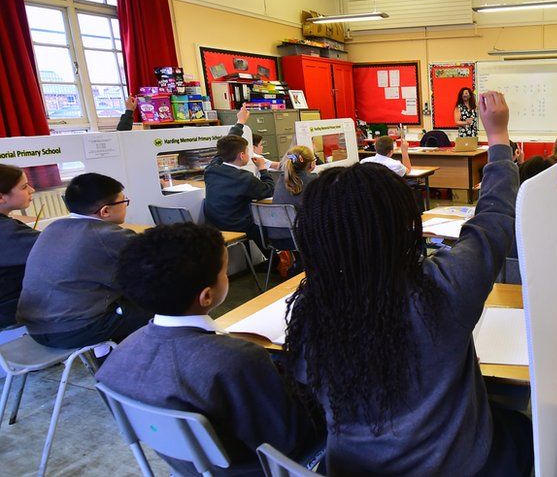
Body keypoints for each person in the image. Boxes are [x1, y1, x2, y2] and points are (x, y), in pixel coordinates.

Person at [285, 91, 532, 476]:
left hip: (353, 469)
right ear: (404, 226)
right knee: (522, 429)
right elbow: (494, 220)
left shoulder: (311, 314)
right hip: (455, 465)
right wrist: (498, 138)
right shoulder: (441, 289)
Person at [96, 223, 324, 476]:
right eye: (225, 272)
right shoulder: (239, 359)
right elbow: (290, 441)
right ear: (206, 296)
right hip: (253, 469)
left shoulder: (117, 359)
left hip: (191, 467)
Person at [17, 173, 151, 348]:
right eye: (124, 201)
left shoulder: (53, 228)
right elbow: (154, 264)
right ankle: (132, 365)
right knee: (162, 305)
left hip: (36, 328)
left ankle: (107, 356)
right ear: (105, 211)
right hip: (74, 330)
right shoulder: (109, 235)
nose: (126, 206)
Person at [203, 108, 275, 242]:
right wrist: (262, 169)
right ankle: (274, 259)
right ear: (242, 156)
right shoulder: (244, 178)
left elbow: (226, 147)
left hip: (214, 226)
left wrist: (240, 122)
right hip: (238, 226)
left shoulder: (211, 169)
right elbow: (269, 190)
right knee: (266, 226)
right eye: (248, 152)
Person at [0, 164, 39, 328]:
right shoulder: (7, 232)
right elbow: (55, 251)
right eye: (24, 187)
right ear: (2, 197)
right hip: (12, 310)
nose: (32, 190)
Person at [269, 145, 317, 247]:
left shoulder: (281, 180)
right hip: (303, 239)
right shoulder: (314, 181)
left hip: (277, 238)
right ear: (312, 163)